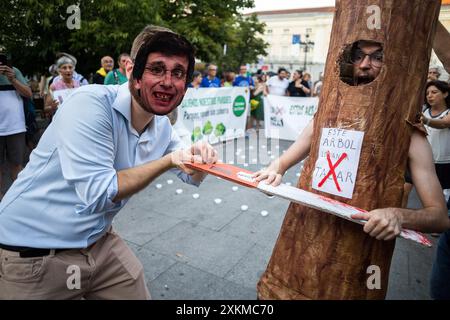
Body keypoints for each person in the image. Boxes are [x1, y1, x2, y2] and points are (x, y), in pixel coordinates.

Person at [0, 25, 217, 299]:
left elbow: (190, 175)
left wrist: (201, 157)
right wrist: (169, 161)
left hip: (97, 242)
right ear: (132, 72)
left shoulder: (161, 125)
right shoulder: (89, 103)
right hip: (33, 252)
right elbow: (99, 193)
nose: (168, 82)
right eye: (157, 68)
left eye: (178, 73)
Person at [254, 40, 450, 299]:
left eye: (377, 57)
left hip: (361, 258)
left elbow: (439, 216)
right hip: (303, 241)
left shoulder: (409, 133)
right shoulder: (327, 114)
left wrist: (398, 215)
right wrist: (274, 169)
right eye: (359, 56)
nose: (366, 64)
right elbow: (290, 154)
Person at [0, 52, 32, 201]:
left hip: (15, 127)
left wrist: (13, 79)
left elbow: (28, 94)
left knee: (17, 165)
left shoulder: (15, 71)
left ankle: (18, 201)